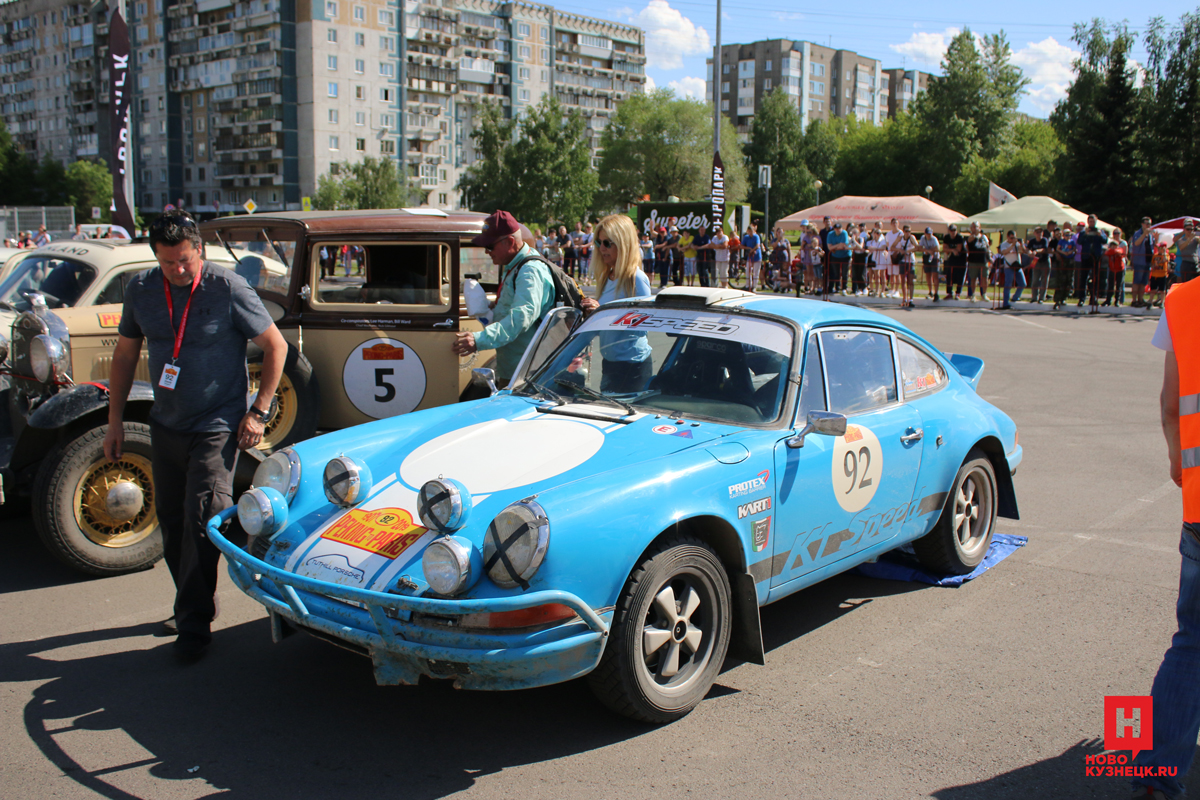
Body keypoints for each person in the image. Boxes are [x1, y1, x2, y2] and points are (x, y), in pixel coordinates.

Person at [103, 211, 287, 663]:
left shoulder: (227, 288)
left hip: (216, 424)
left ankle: (193, 624)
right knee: (171, 522)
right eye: (169, 264)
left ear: (198, 250)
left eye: (185, 260)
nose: (179, 271)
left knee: (204, 514)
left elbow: (276, 346)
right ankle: (194, 598)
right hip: (167, 423)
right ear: (156, 260)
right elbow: (125, 356)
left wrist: (258, 412)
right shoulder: (142, 291)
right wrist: (114, 421)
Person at [1133, 286, 1200, 799]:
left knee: (1192, 642)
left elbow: (1171, 401)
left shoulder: (1183, 300)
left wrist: (1179, 460)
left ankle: (1158, 769)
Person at [452, 210, 555, 385]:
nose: (486, 251)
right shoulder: (515, 265)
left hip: (526, 375)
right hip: (518, 369)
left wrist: (478, 340)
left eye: (490, 246)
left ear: (509, 242)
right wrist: (496, 306)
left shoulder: (529, 271)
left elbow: (521, 318)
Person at [579, 214, 653, 393]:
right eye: (598, 242)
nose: (601, 248)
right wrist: (590, 317)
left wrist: (603, 313)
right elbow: (601, 328)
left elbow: (643, 326)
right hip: (610, 363)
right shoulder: (606, 277)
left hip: (633, 366)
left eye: (607, 243)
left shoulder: (636, 278)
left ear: (623, 243)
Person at [1076, 215, 1109, 308]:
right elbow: (1079, 241)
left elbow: (1105, 240)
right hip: (1086, 257)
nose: (1091, 223)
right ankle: (1082, 298)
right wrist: (1085, 234)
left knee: (1095, 278)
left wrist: (1100, 235)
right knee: (1083, 278)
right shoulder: (1083, 232)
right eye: (1090, 221)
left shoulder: (1100, 231)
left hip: (1096, 257)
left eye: (1093, 221)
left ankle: (1093, 298)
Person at [998, 230, 1027, 310]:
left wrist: (1022, 245)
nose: (1013, 239)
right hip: (1009, 266)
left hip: (1017, 266)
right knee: (1008, 285)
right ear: (1008, 237)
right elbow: (1004, 252)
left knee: (1023, 283)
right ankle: (1005, 303)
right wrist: (1012, 245)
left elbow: (1023, 251)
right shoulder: (1004, 244)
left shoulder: (1017, 244)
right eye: (1011, 238)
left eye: (1014, 238)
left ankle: (1015, 297)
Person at [1132, 218, 1157, 308]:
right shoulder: (1138, 233)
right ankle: (1134, 300)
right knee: (1137, 282)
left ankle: (1140, 299)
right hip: (1139, 261)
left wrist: (1156, 239)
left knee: (1143, 282)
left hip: (1147, 261)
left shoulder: (1150, 235)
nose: (1148, 226)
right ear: (1142, 224)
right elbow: (1137, 243)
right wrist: (1144, 234)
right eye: (1146, 224)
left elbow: (1153, 247)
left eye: (1149, 224)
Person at [1051, 225, 1076, 311]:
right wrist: (1063, 253)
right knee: (1060, 281)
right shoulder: (1061, 241)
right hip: (1062, 261)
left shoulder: (1072, 241)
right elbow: (1058, 249)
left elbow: (1074, 249)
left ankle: (1064, 298)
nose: (1067, 236)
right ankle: (1057, 300)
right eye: (1066, 234)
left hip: (1070, 261)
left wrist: (1071, 252)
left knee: (1069, 280)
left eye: (1069, 234)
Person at [965, 222, 991, 302]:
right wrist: (975, 234)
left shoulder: (984, 237)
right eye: (973, 227)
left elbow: (987, 247)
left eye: (976, 227)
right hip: (973, 261)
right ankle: (972, 295)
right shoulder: (971, 237)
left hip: (984, 260)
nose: (975, 228)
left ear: (979, 228)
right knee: (973, 278)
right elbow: (969, 241)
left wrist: (990, 257)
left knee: (985, 277)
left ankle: (984, 294)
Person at [894, 224, 918, 308]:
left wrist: (908, 250)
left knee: (910, 280)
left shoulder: (912, 238)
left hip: (910, 260)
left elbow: (917, 247)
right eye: (906, 231)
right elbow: (892, 246)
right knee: (903, 280)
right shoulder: (900, 238)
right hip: (902, 260)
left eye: (909, 231)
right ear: (903, 231)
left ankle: (910, 299)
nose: (908, 233)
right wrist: (900, 250)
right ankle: (904, 298)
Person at [826, 222, 851, 297]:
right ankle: (837, 287)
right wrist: (837, 246)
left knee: (844, 273)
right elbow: (829, 247)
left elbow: (843, 245)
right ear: (834, 229)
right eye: (836, 228)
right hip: (835, 255)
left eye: (839, 228)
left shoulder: (844, 233)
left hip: (845, 255)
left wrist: (834, 247)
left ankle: (844, 288)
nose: (838, 230)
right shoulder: (830, 234)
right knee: (835, 273)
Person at [1026, 227, 1050, 304]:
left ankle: (1042, 297)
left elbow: (1044, 249)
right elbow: (1027, 249)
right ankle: (1034, 297)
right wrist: (1029, 252)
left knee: (1044, 280)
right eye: (1037, 232)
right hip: (1036, 261)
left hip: (1045, 261)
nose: (1039, 233)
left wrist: (1035, 251)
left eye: (1040, 232)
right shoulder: (1032, 241)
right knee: (1035, 280)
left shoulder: (1044, 240)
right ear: (1034, 233)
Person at [943, 224, 966, 300]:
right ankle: (949, 293)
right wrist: (952, 250)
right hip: (952, 257)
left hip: (962, 258)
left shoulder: (959, 237)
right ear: (949, 231)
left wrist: (949, 249)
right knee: (949, 275)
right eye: (951, 230)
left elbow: (958, 249)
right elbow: (944, 249)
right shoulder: (946, 237)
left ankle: (958, 293)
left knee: (960, 276)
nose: (953, 232)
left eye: (954, 230)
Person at [1105, 229, 1127, 307]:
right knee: (1110, 285)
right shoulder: (1110, 251)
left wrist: (1112, 250)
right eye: (1112, 245)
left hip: (1120, 269)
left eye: (1115, 245)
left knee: (1118, 285)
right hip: (1112, 269)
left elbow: (1119, 252)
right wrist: (1111, 250)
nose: (1113, 247)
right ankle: (1108, 300)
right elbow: (1107, 252)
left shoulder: (1119, 249)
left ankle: (1117, 301)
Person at [919, 227, 941, 301]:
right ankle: (930, 291)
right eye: (927, 234)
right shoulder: (923, 238)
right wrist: (927, 250)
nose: (929, 235)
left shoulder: (934, 239)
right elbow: (919, 247)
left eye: (930, 234)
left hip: (934, 258)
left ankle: (936, 292)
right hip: (927, 257)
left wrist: (931, 251)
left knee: (935, 274)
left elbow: (938, 248)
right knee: (928, 274)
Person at [1149, 243, 1171, 308]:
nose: (1159, 249)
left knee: (1162, 290)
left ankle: (1162, 302)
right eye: (1159, 248)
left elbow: (1166, 260)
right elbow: (1152, 264)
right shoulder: (1155, 255)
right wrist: (1154, 266)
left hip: (1162, 275)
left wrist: (1164, 253)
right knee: (1153, 289)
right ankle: (1150, 302)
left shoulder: (1166, 255)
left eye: (1161, 248)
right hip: (1155, 274)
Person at [742, 224, 763, 290]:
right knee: (748, 271)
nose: (750, 232)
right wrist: (748, 248)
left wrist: (752, 250)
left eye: (751, 231)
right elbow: (741, 245)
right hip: (750, 256)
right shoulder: (746, 237)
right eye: (749, 231)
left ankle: (754, 286)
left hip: (757, 256)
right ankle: (748, 285)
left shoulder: (756, 236)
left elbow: (757, 245)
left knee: (756, 272)